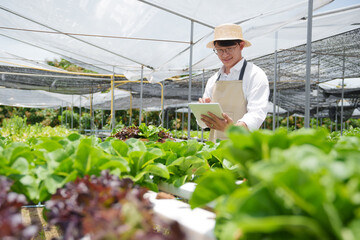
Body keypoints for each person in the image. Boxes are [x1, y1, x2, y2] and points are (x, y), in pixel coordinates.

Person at [199, 23, 269, 142]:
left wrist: (231, 129)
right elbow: (203, 125)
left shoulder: (255, 75)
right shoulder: (213, 80)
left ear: (241, 46)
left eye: (229, 49)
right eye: (219, 50)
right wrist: (203, 112)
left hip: (242, 148)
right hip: (214, 148)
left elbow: (257, 113)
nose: (224, 55)